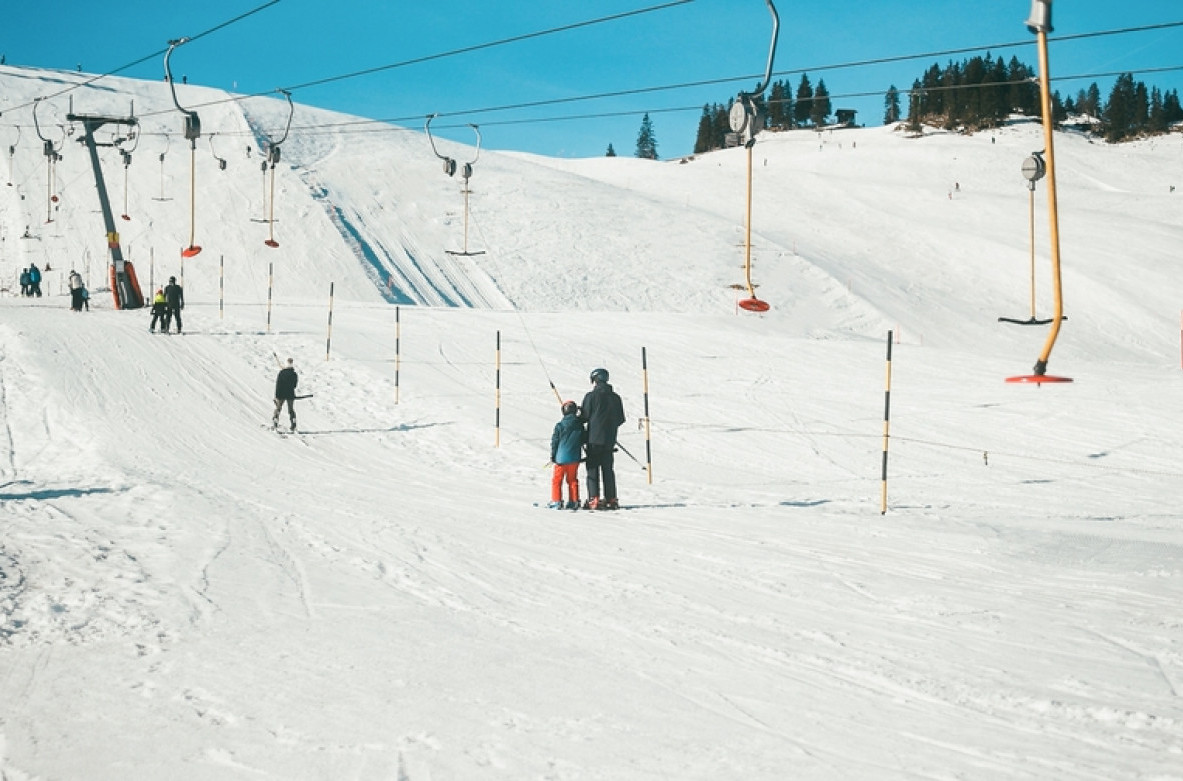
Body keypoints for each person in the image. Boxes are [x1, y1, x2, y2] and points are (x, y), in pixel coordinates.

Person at [579, 367, 626, 510]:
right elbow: (620, 419)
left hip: (593, 439)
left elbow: (585, 416)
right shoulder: (616, 398)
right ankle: (611, 498)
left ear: (595, 380)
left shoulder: (591, 396)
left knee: (592, 469)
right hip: (610, 440)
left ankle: (594, 498)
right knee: (608, 469)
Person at [548, 400, 584, 510]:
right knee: (572, 480)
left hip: (561, 458)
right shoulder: (579, 425)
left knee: (557, 480)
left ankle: (556, 500)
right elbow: (583, 439)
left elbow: (555, 441)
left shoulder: (560, 425)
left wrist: (553, 455)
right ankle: (574, 501)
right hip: (574, 457)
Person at [272, 358, 299, 432]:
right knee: (291, 409)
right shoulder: (294, 374)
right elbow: (294, 385)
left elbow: (278, 385)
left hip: (281, 394)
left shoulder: (281, 373)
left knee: (278, 408)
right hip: (290, 394)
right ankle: (293, 422)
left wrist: (276, 396)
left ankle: (275, 421)